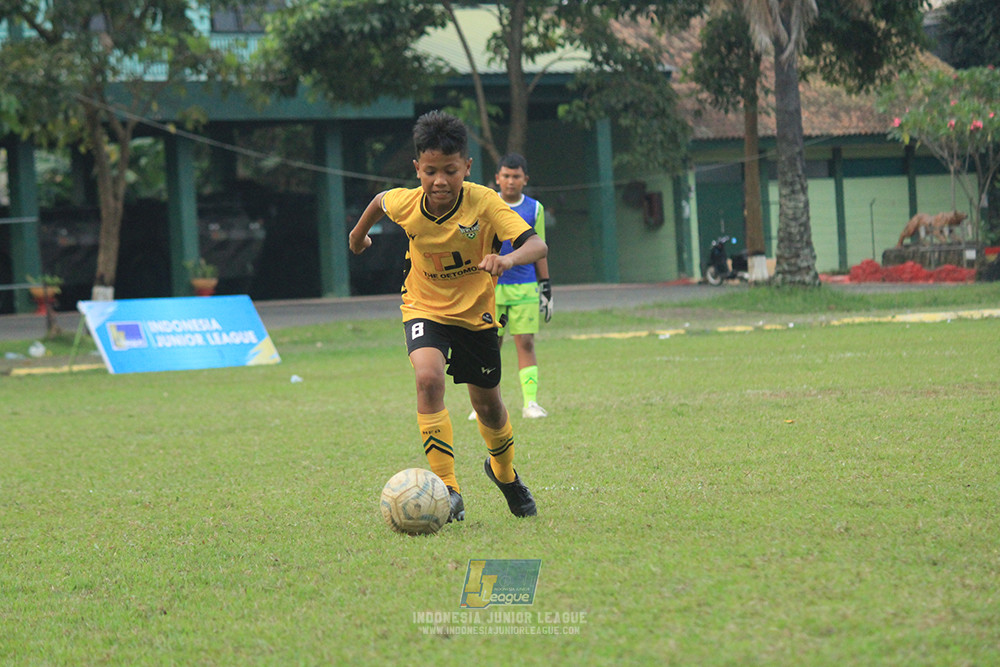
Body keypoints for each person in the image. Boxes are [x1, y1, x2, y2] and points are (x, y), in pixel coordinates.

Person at [349, 110, 546, 521]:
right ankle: (447, 489)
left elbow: (536, 246)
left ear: (467, 168)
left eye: (451, 171)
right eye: (431, 170)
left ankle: (505, 474)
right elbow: (379, 202)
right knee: (427, 378)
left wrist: (507, 261)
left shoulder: (485, 202)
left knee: (488, 405)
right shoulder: (408, 202)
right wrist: (357, 235)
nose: (440, 181)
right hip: (423, 305)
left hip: (475, 315)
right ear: (417, 167)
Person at [469, 153, 552, 421]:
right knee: (490, 344)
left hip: (525, 287)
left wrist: (546, 288)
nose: (510, 181)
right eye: (505, 175)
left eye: (516, 176)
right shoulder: (487, 204)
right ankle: (482, 404)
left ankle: (530, 403)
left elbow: (540, 249)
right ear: (497, 178)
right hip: (491, 288)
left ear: (524, 180)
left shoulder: (534, 209)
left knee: (525, 342)